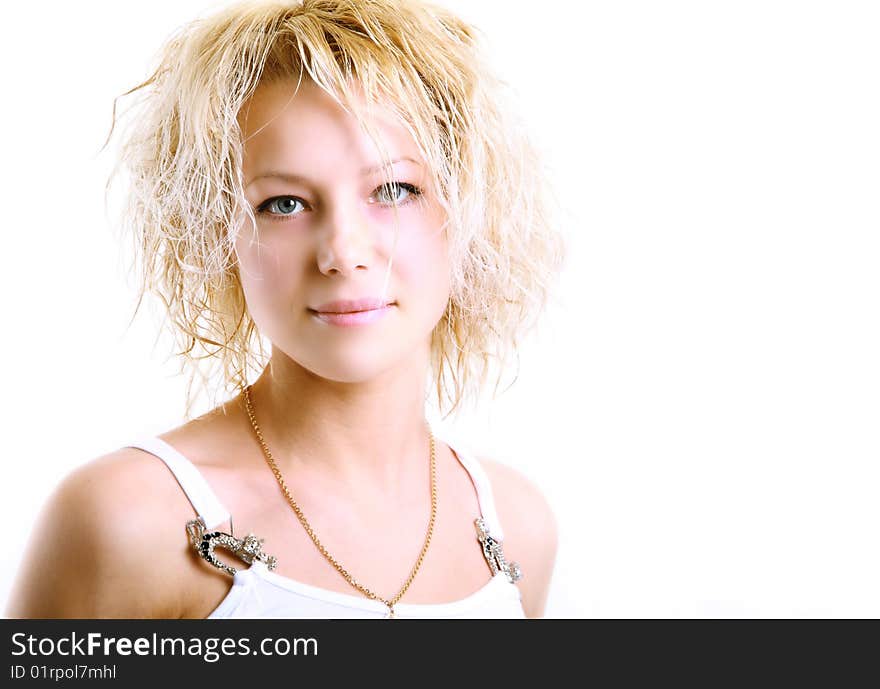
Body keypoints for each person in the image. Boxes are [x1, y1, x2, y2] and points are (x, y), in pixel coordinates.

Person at [6, 0, 565, 619]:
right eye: (284, 204)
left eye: (395, 190)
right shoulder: (129, 521)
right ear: (220, 232)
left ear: (464, 209)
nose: (344, 253)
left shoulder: (516, 527)